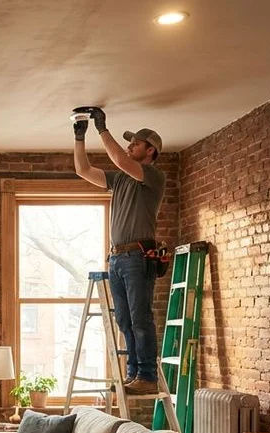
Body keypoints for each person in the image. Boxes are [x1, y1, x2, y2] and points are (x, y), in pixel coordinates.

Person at [73, 107, 167, 395]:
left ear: (150, 151)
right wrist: (79, 138)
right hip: (116, 258)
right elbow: (83, 170)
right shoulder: (121, 179)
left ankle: (147, 376)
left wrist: (102, 129)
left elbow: (119, 159)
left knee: (140, 318)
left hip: (138, 257)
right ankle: (133, 375)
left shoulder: (151, 177)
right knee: (124, 320)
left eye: (135, 143)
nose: (129, 146)